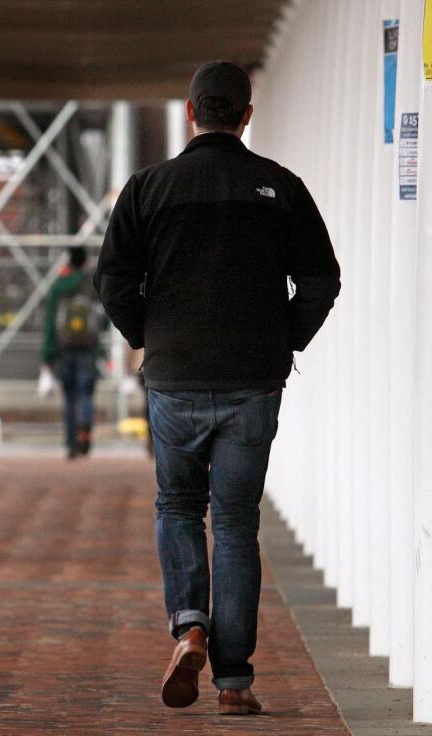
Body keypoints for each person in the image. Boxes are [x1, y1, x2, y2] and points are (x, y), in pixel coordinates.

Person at [94, 61, 340, 715]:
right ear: (247, 115)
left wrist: (150, 333)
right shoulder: (280, 187)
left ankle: (189, 625)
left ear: (190, 111)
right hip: (253, 385)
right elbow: (322, 279)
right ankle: (234, 683)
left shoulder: (148, 188)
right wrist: (282, 339)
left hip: (174, 378)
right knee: (234, 524)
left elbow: (112, 279)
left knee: (177, 507)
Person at [41, 246, 102, 459]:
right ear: (84, 261)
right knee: (85, 393)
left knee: (68, 396)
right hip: (88, 348)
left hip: (64, 348)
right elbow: (102, 318)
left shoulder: (58, 286)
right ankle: (85, 427)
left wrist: (47, 355)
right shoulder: (91, 285)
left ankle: (71, 442)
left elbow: (50, 323)